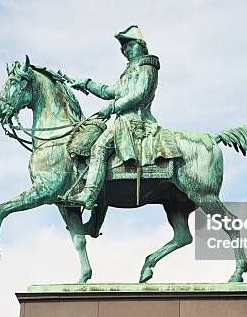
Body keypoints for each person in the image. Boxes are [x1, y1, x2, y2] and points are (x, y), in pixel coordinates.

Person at [63, 25, 179, 209]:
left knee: (99, 147)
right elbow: (110, 91)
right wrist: (85, 83)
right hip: (124, 120)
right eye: (123, 48)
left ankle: (89, 194)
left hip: (135, 121)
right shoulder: (130, 70)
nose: (125, 51)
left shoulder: (147, 65)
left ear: (140, 45)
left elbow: (139, 94)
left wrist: (112, 107)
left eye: (129, 46)